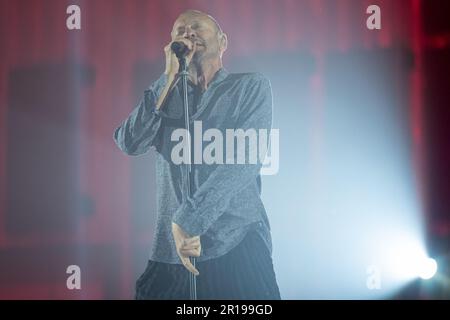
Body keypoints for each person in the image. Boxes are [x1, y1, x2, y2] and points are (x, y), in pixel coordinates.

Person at [113, 9, 281, 300]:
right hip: (172, 252)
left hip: (235, 242)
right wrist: (167, 80)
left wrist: (189, 219)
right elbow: (129, 142)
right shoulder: (165, 97)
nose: (187, 33)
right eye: (179, 31)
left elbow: (243, 163)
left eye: (196, 27)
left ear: (223, 41)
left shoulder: (249, 88)